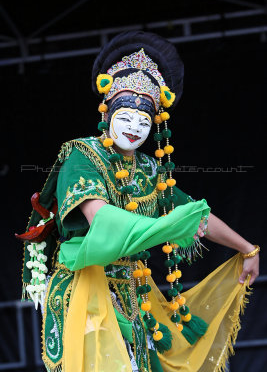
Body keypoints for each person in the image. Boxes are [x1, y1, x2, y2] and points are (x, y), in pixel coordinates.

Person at [20, 31, 259, 372]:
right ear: (107, 113)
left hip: (134, 292)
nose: (134, 128)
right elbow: (101, 220)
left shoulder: (148, 169)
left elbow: (197, 217)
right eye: (126, 117)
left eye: (144, 121)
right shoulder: (82, 156)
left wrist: (247, 248)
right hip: (86, 286)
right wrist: (167, 227)